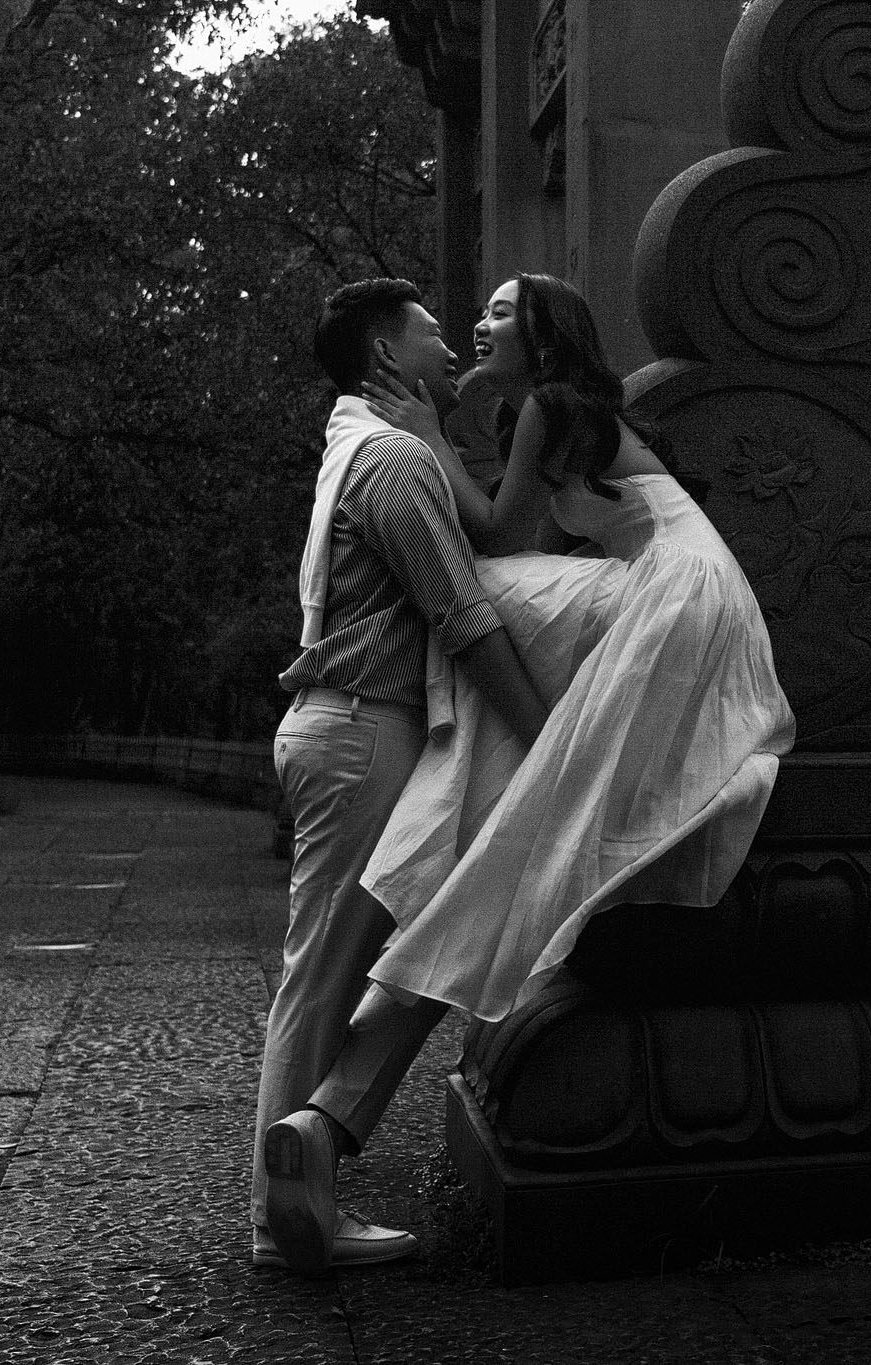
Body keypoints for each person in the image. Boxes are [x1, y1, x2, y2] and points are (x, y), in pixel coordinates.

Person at [261, 273, 793, 1256]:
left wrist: (431, 436)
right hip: (667, 603)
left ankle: (325, 1110)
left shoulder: (547, 405)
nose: (476, 324)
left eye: (500, 312)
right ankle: (324, 1119)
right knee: (506, 835)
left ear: (545, 333)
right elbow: (523, 546)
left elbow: (499, 545)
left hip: (670, 607)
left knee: (478, 642)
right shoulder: (547, 420)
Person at [254, 279, 551, 1277]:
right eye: (429, 329)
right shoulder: (390, 461)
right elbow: (461, 615)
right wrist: (546, 735)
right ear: (385, 354)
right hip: (361, 731)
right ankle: (283, 1214)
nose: (450, 339)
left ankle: (298, 1183)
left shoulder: (367, 448)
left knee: (352, 962)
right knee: (326, 975)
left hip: (350, 729)